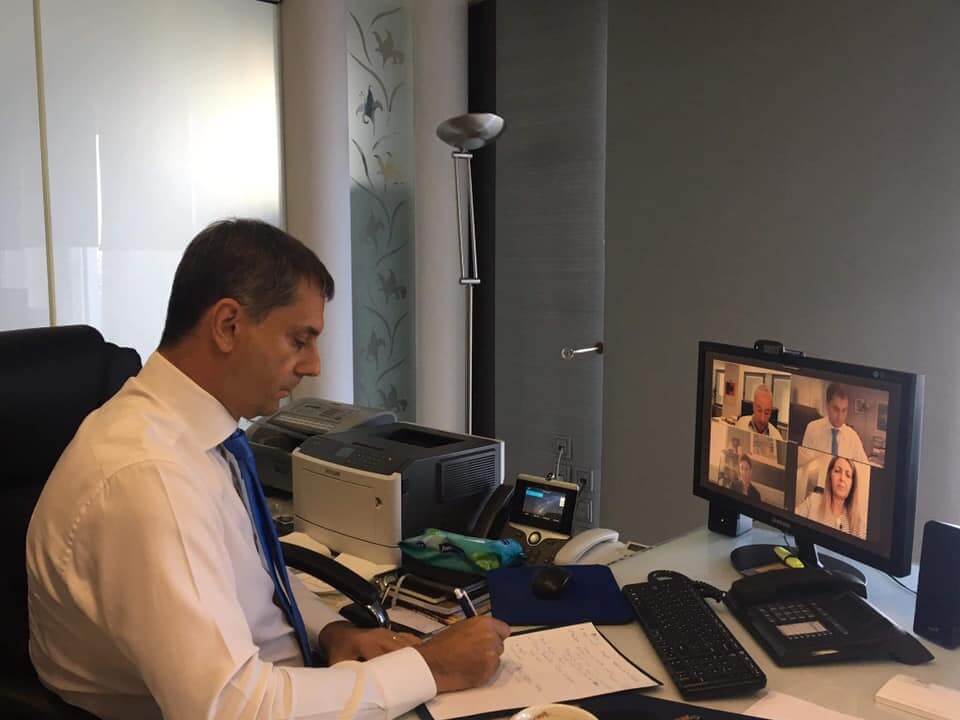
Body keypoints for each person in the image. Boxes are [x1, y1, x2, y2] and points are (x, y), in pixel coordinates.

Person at [25, 219, 510, 720]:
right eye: (300, 340)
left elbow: (250, 580)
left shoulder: (197, 436)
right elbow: (231, 709)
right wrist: (431, 667)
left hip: (283, 682)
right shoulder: (150, 477)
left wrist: (331, 632)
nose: (314, 366)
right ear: (228, 325)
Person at [795, 456, 866, 539]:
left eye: (848, 475)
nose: (842, 478)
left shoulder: (859, 524)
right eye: (837, 471)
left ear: (852, 484)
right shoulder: (813, 501)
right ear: (830, 476)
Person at [800, 383, 868, 463]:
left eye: (844, 410)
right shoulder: (812, 429)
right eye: (836, 409)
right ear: (827, 406)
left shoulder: (853, 437)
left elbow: (865, 467)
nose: (840, 416)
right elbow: (803, 464)